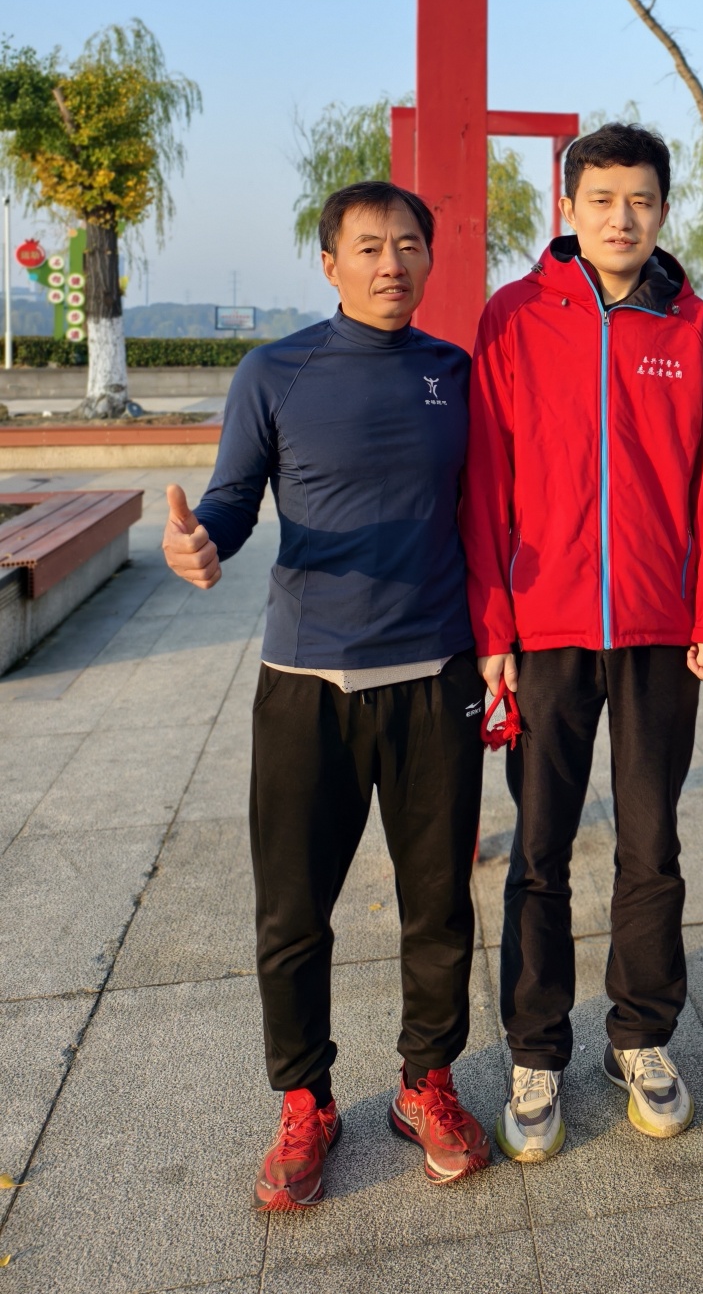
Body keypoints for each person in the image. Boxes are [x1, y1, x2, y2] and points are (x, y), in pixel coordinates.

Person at [160, 182, 491, 1211]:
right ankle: (306, 1099)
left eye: (409, 244)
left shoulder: (455, 373)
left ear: (430, 257)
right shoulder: (276, 371)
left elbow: (492, 508)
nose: (392, 262)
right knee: (294, 910)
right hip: (309, 684)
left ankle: (426, 1082)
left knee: (439, 902)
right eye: (370, 245)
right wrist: (203, 540)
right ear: (330, 262)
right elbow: (232, 496)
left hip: (436, 676)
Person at [462, 122, 703, 1163]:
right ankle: (537, 1049)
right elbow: (485, 478)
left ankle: (641, 1035)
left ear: (664, 210)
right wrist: (494, 626)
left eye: (642, 200)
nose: (623, 218)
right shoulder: (515, 315)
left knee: (651, 842)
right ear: (567, 206)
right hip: (546, 626)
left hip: (663, 628)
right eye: (603, 199)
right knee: (539, 848)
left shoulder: (692, 323)